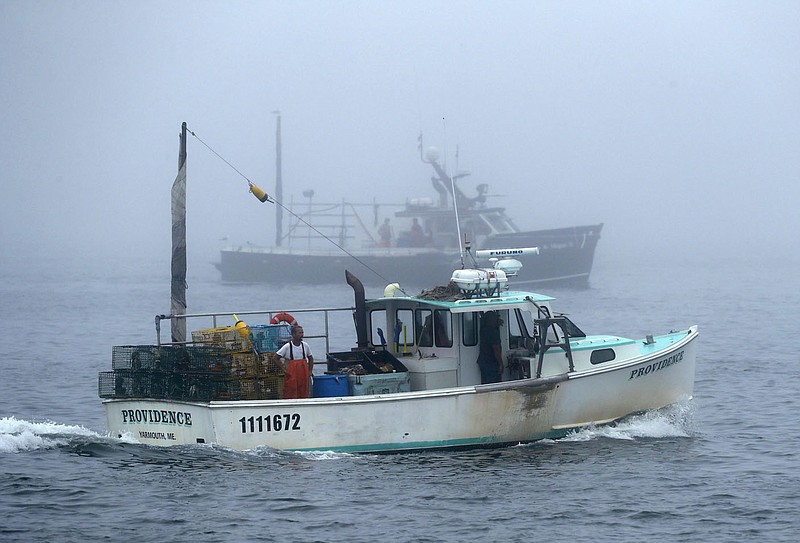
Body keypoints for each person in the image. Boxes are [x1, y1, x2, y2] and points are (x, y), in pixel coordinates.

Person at [276, 325, 314, 399]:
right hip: (292, 374)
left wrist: (310, 371)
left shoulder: (305, 345)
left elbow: (311, 358)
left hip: (304, 374)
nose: (302, 335)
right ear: (293, 334)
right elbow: (275, 358)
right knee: (291, 391)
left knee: (304, 391)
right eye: (299, 333)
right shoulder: (287, 346)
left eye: (302, 333)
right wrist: (284, 370)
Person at [476, 311, 504, 384]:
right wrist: (501, 363)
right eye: (495, 318)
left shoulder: (483, 330)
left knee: (485, 383)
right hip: (491, 364)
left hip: (483, 362)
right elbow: (496, 349)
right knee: (494, 384)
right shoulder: (493, 332)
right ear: (491, 319)